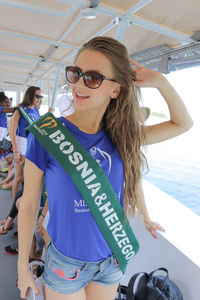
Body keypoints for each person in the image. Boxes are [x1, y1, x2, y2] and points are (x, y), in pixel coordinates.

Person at [17, 37, 193, 300]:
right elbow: (29, 204)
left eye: (93, 77)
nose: (78, 84)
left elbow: (183, 123)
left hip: (111, 263)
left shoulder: (123, 137)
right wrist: (22, 267)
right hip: (66, 266)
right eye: (76, 73)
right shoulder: (46, 134)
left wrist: (160, 81)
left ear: (116, 90)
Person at [9, 86, 41, 201]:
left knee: (28, 178)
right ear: (30, 95)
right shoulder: (19, 109)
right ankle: (14, 206)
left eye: (40, 96)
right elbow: (11, 130)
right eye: (37, 96)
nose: (39, 99)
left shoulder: (36, 111)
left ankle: (23, 203)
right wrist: (16, 151)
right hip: (20, 145)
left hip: (31, 145)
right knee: (18, 177)